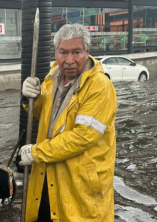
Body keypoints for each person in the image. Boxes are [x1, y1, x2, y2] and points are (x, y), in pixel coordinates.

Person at [19, 23, 117, 222]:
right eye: (63, 52)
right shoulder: (52, 76)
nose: (69, 60)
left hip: (80, 188)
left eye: (76, 52)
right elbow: (41, 113)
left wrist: (35, 152)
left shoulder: (99, 86)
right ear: (56, 52)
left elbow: (83, 137)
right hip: (47, 179)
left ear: (87, 52)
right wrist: (29, 97)